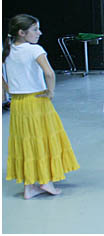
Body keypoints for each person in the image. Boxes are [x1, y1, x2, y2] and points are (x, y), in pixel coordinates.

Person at [2, 14, 80, 199]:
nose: (40, 33)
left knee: (26, 141)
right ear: (22, 33)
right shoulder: (34, 49)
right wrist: (50, 92)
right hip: (37, 100)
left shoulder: (7, 50)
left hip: (18, 103)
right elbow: (49, 73)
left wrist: (9, 89)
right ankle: (46, 181)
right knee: (42, 139)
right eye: (35, 29)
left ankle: (29, 185)